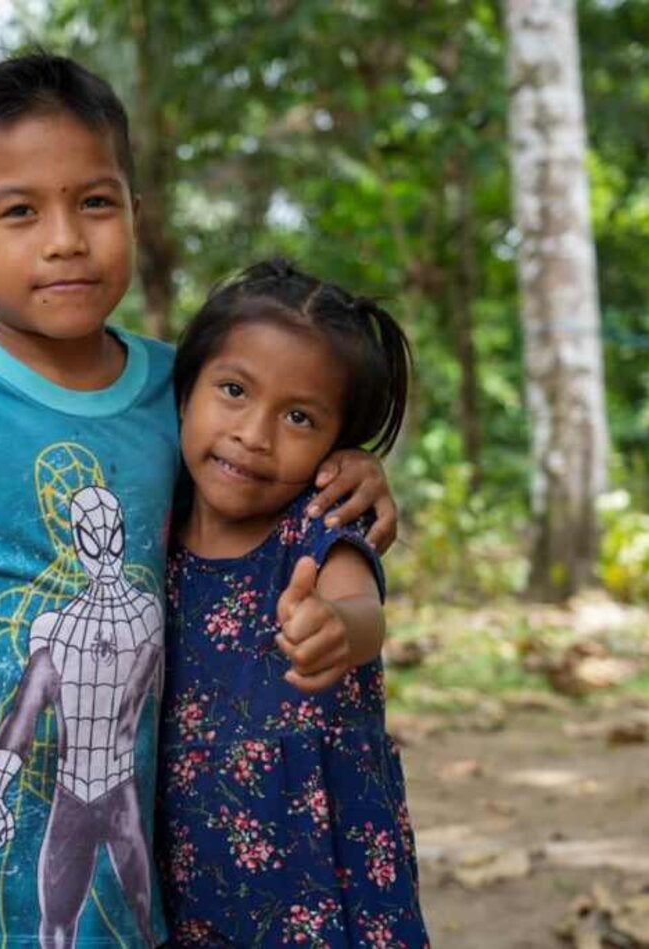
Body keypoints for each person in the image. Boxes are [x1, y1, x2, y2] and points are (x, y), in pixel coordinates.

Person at [0, 55, 397, 949]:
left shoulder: (180, 391)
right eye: (19, 211)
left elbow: (266, 465)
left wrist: (352, 463)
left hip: (123, 917)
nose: (64, 240)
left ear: (133, 212)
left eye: (94, 203)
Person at [156, 259, 429, 948]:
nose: (255, 432)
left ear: (336, 448)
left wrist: (336, 627)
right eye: (234, 389)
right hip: (186, 880)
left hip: (324, 877)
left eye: (299, 416)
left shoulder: (318, 528)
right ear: (186, 389)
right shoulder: (150, 523)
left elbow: (362, 609)